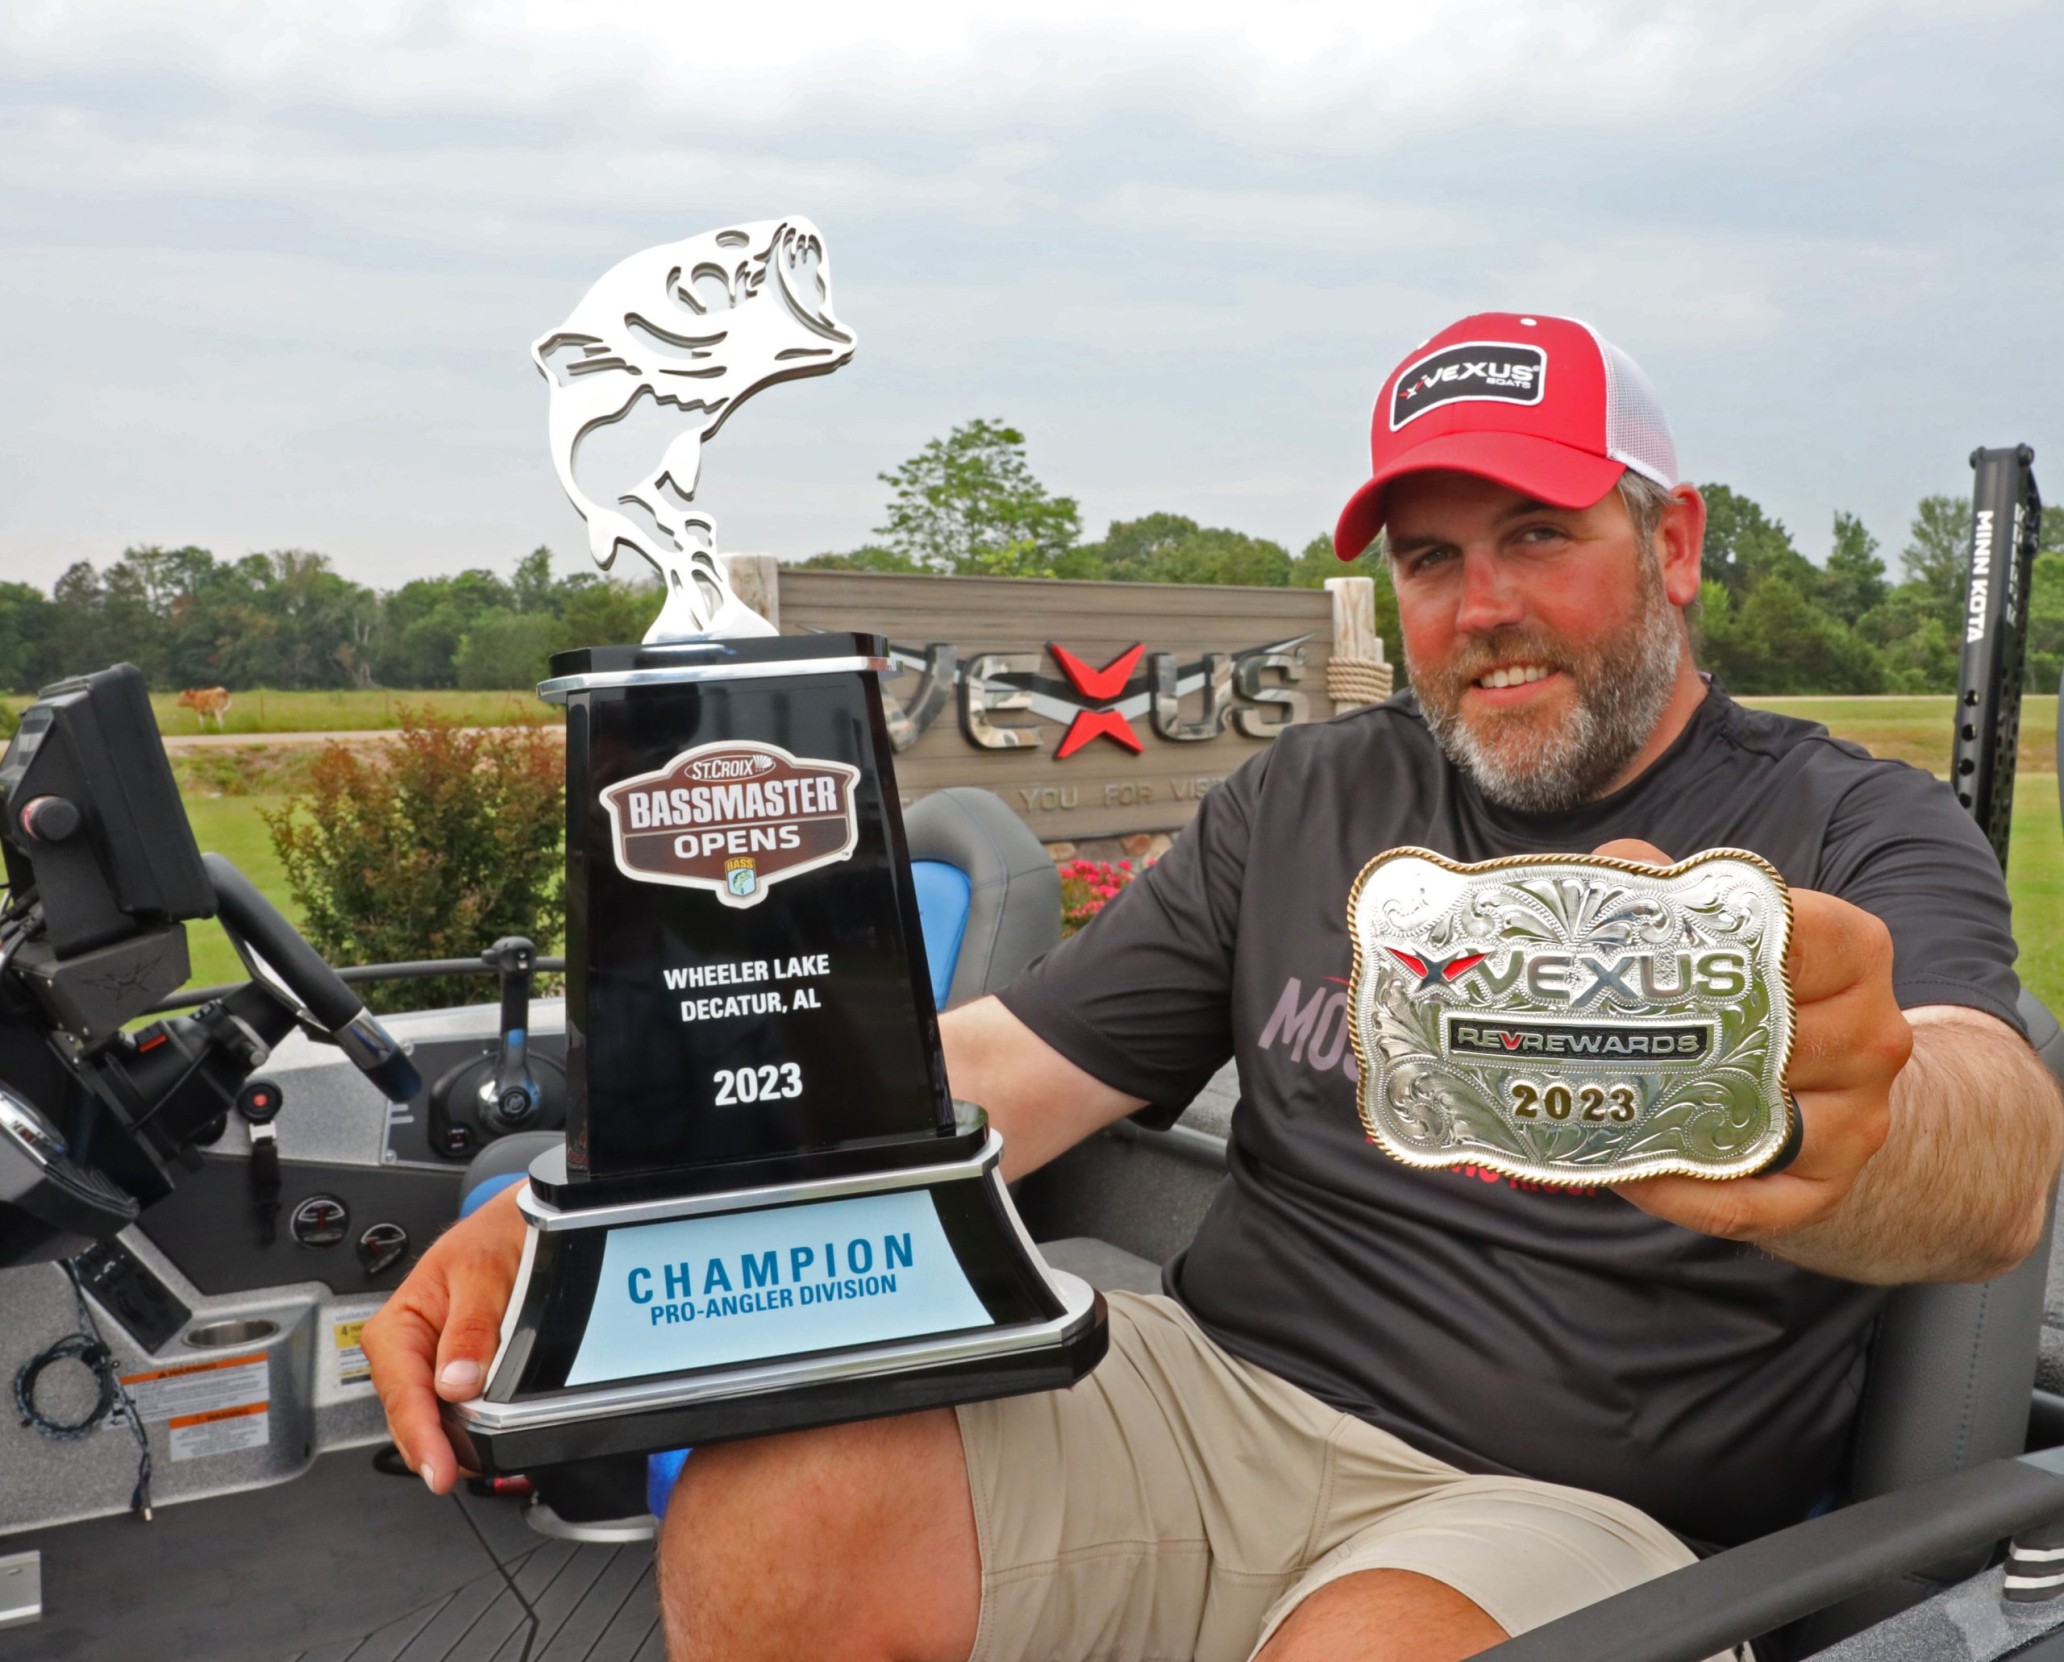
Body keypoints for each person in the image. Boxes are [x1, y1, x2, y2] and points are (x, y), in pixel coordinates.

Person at [364, 312, 2064, 1662]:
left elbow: (1990, 1149)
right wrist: (613, 1208)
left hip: (1570, 1498)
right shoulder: (1306, 797)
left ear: (1676, 543)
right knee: (773, 1496)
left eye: (1541, 536)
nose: (1484, 609)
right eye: (1430, 560)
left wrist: (1851, 1103)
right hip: (1212, 1399)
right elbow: (996, 1072)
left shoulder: (1850, 826)